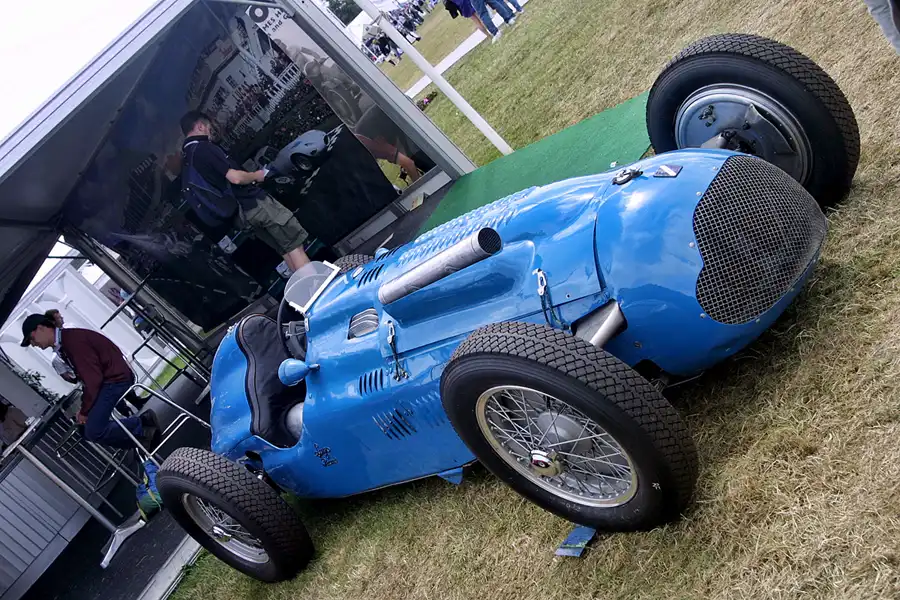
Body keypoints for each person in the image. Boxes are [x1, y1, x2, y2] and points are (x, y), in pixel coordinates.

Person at [179, 111, 311, 272]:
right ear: (199, 126)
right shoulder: (203, 148)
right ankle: (318, 290)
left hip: (241, 216)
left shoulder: (187, 162)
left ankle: (306, 293)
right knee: (295, 245)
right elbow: (235, 178)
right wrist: (258, 175)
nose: (210, 131)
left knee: (285, 250)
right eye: (208, 127)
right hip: (253, 204)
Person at [20, 314, 161, 450]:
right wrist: (84, 409)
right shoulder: (68, 339)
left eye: (31, 339)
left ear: (40, 328)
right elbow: (90, 378)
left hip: (114, 380)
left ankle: (141, 429)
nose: (33, 344)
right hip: (112, 379)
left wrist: (84, 411)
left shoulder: (71, 342)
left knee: (93, 431)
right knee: (88, 431)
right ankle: (142, 435)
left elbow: (93, 379)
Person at [44, 309, 146, 416]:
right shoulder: (56, 358)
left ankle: (136, 400)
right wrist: (78, 378)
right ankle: (126, 412)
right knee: (109, 392)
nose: (62, 318)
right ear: (53, 323)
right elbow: (65, 375)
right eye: (59, 318)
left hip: (97, 361)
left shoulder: (70, 328)